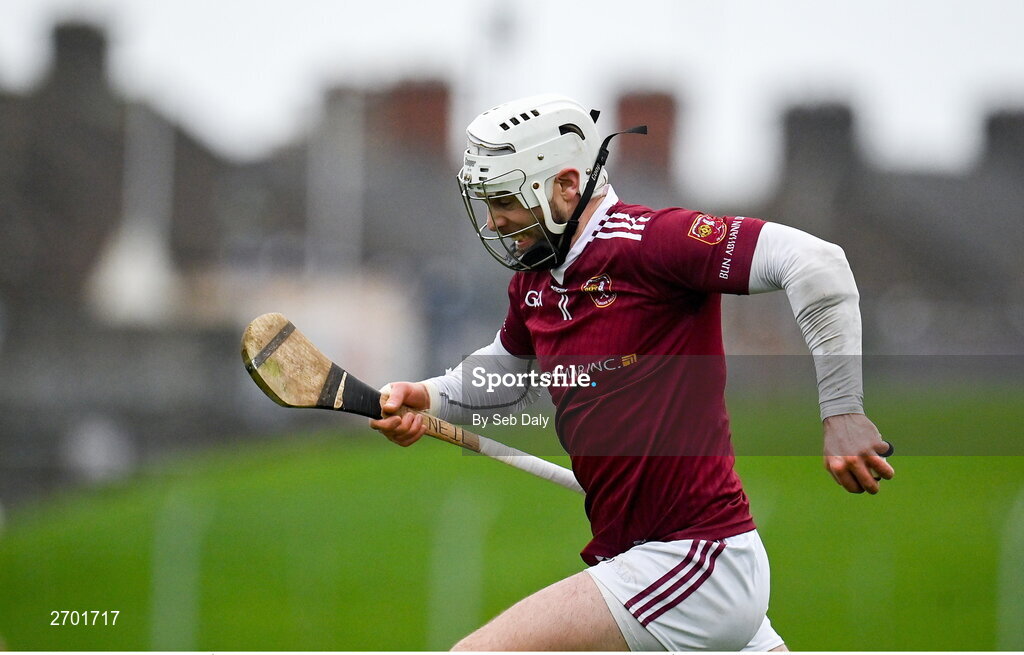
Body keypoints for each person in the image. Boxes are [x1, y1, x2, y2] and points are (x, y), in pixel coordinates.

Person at [370, 93, 894, 651]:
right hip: (660, 567)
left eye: (505, 199)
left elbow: (817, 263)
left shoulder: (653, 243)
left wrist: (843, 413)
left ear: (566, 186)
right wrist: (426, 396)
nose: (496, 219)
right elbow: (504, 370)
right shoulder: (537, 281)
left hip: (692, 563)